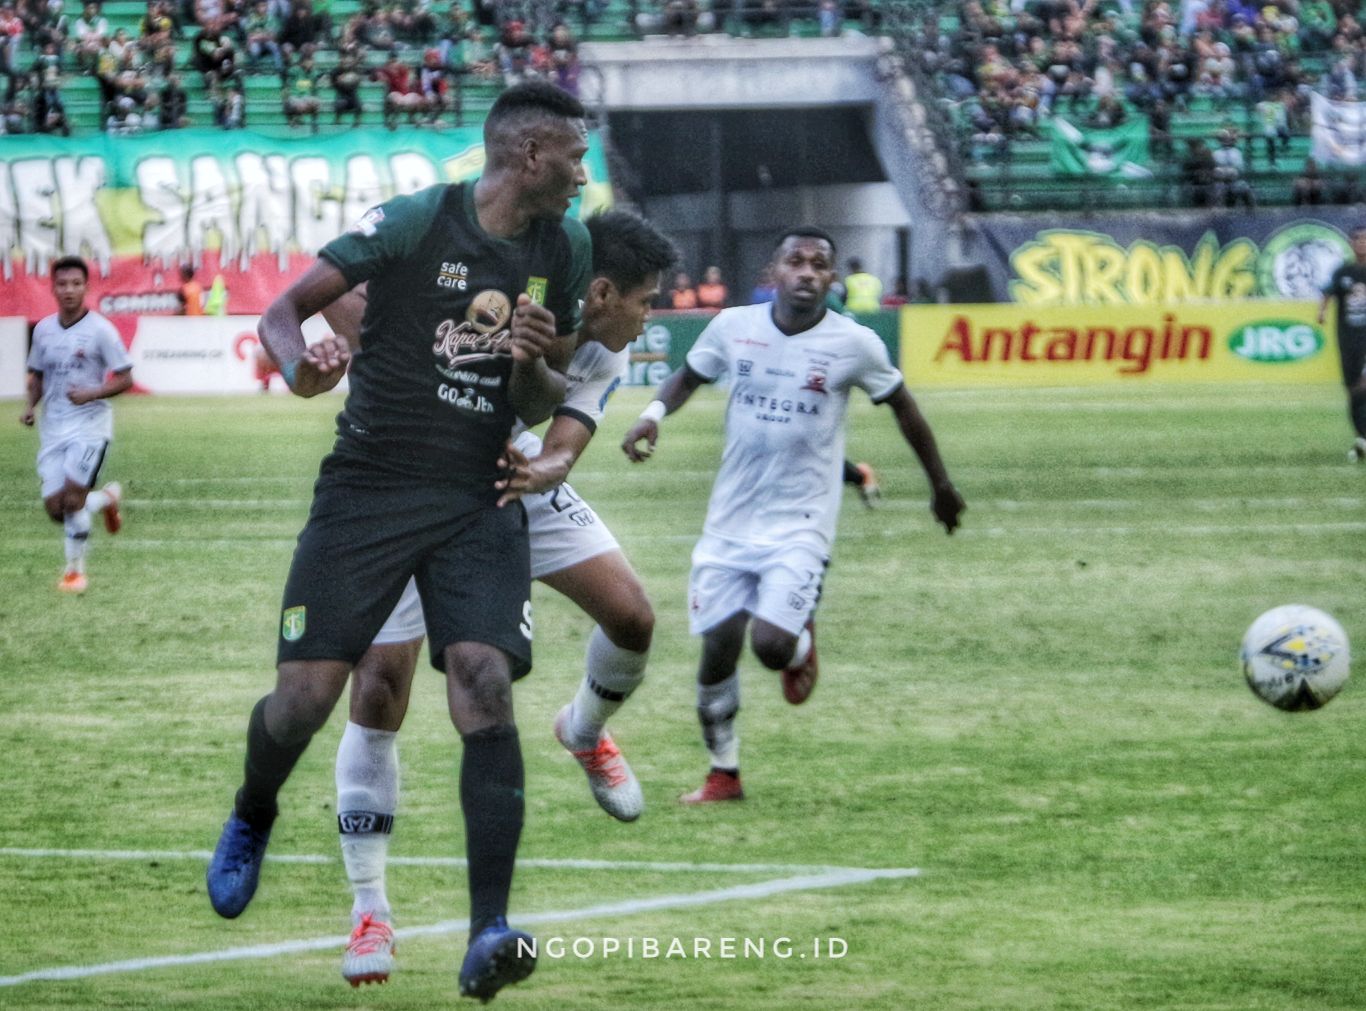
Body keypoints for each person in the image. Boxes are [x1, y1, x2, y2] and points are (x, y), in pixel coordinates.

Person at [204, 81, 591, 1005]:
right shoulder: (419, 221)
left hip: (476, 493)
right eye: (574, 156)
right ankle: (253, 810)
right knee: (304, 701)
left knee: (483, 681)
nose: (583, 173)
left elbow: (542, 400)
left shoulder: (565, 247)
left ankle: (487, 927)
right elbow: (281, 311)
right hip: (370, 486)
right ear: (530, 155)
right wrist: (303, 368)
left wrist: (536, 359)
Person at [320, 209, 676, 988]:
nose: (652, 318)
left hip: (515, 483)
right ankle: (369, 908)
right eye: (647, 301)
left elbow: (562, 448)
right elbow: (343, 287)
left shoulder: (599, 351)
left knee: (633, 616)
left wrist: (544, 471)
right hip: (413, 487)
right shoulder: (495, 282)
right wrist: (368, 353)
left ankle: (584, 730)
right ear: (604, 290)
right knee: (380, 684)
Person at [621, 227, 964, 803]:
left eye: (819, 265)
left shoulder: (853, 344)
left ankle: (800, 644)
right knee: (718, 648)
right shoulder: (733, 328)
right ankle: (723, 773)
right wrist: (653, 414)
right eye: (796, 262)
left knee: (771, 647)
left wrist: (942, 485)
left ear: (831, 279)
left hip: (802, 524)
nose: (807, 272)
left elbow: (903, 405)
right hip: (729, 522)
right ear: (773, 272)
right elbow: (688, 376)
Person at [20, 255, 132, 594]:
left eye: (76, 284)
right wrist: (29, 406)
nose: (69, 290)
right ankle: (107, 499)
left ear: (86, 287)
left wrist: (93, 392)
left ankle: (74, 572)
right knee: (56, 510)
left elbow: (126, 377)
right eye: (63, 284)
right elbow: (37, 375)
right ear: (53, 288)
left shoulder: (100, 330)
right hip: (53, 428)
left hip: (90, 427)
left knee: (72, 501)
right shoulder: (43, 331)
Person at [1317, 224, 1366, 462]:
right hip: (1348, 340)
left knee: (1364, 385)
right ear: (1350, 243)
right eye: (1357, 239)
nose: (1361, 243)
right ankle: (1361, 438)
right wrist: (1322, 311)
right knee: (1354, 391)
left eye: (1365, 239)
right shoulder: (1343, 272)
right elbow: (1328, 293)